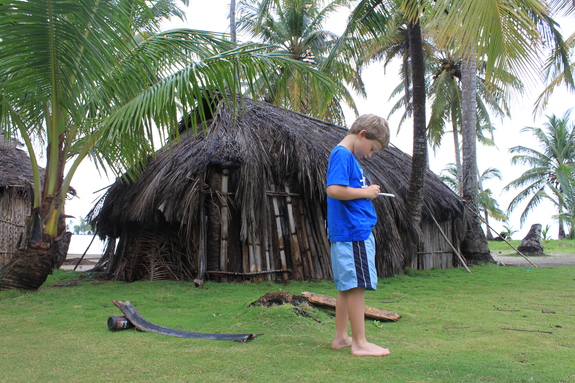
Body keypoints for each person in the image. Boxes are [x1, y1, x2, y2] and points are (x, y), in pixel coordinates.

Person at [326, 114, 391, 357]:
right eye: (372, 148)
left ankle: (342, 338)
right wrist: (365, 192)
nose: (370, 153)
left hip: (348, 231)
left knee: (346, 287)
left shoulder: (346, 156)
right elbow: (334, 190)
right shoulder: (342, 154)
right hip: (354, 231)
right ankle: (360, 343)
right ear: (362, 134)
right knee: (357, 286)